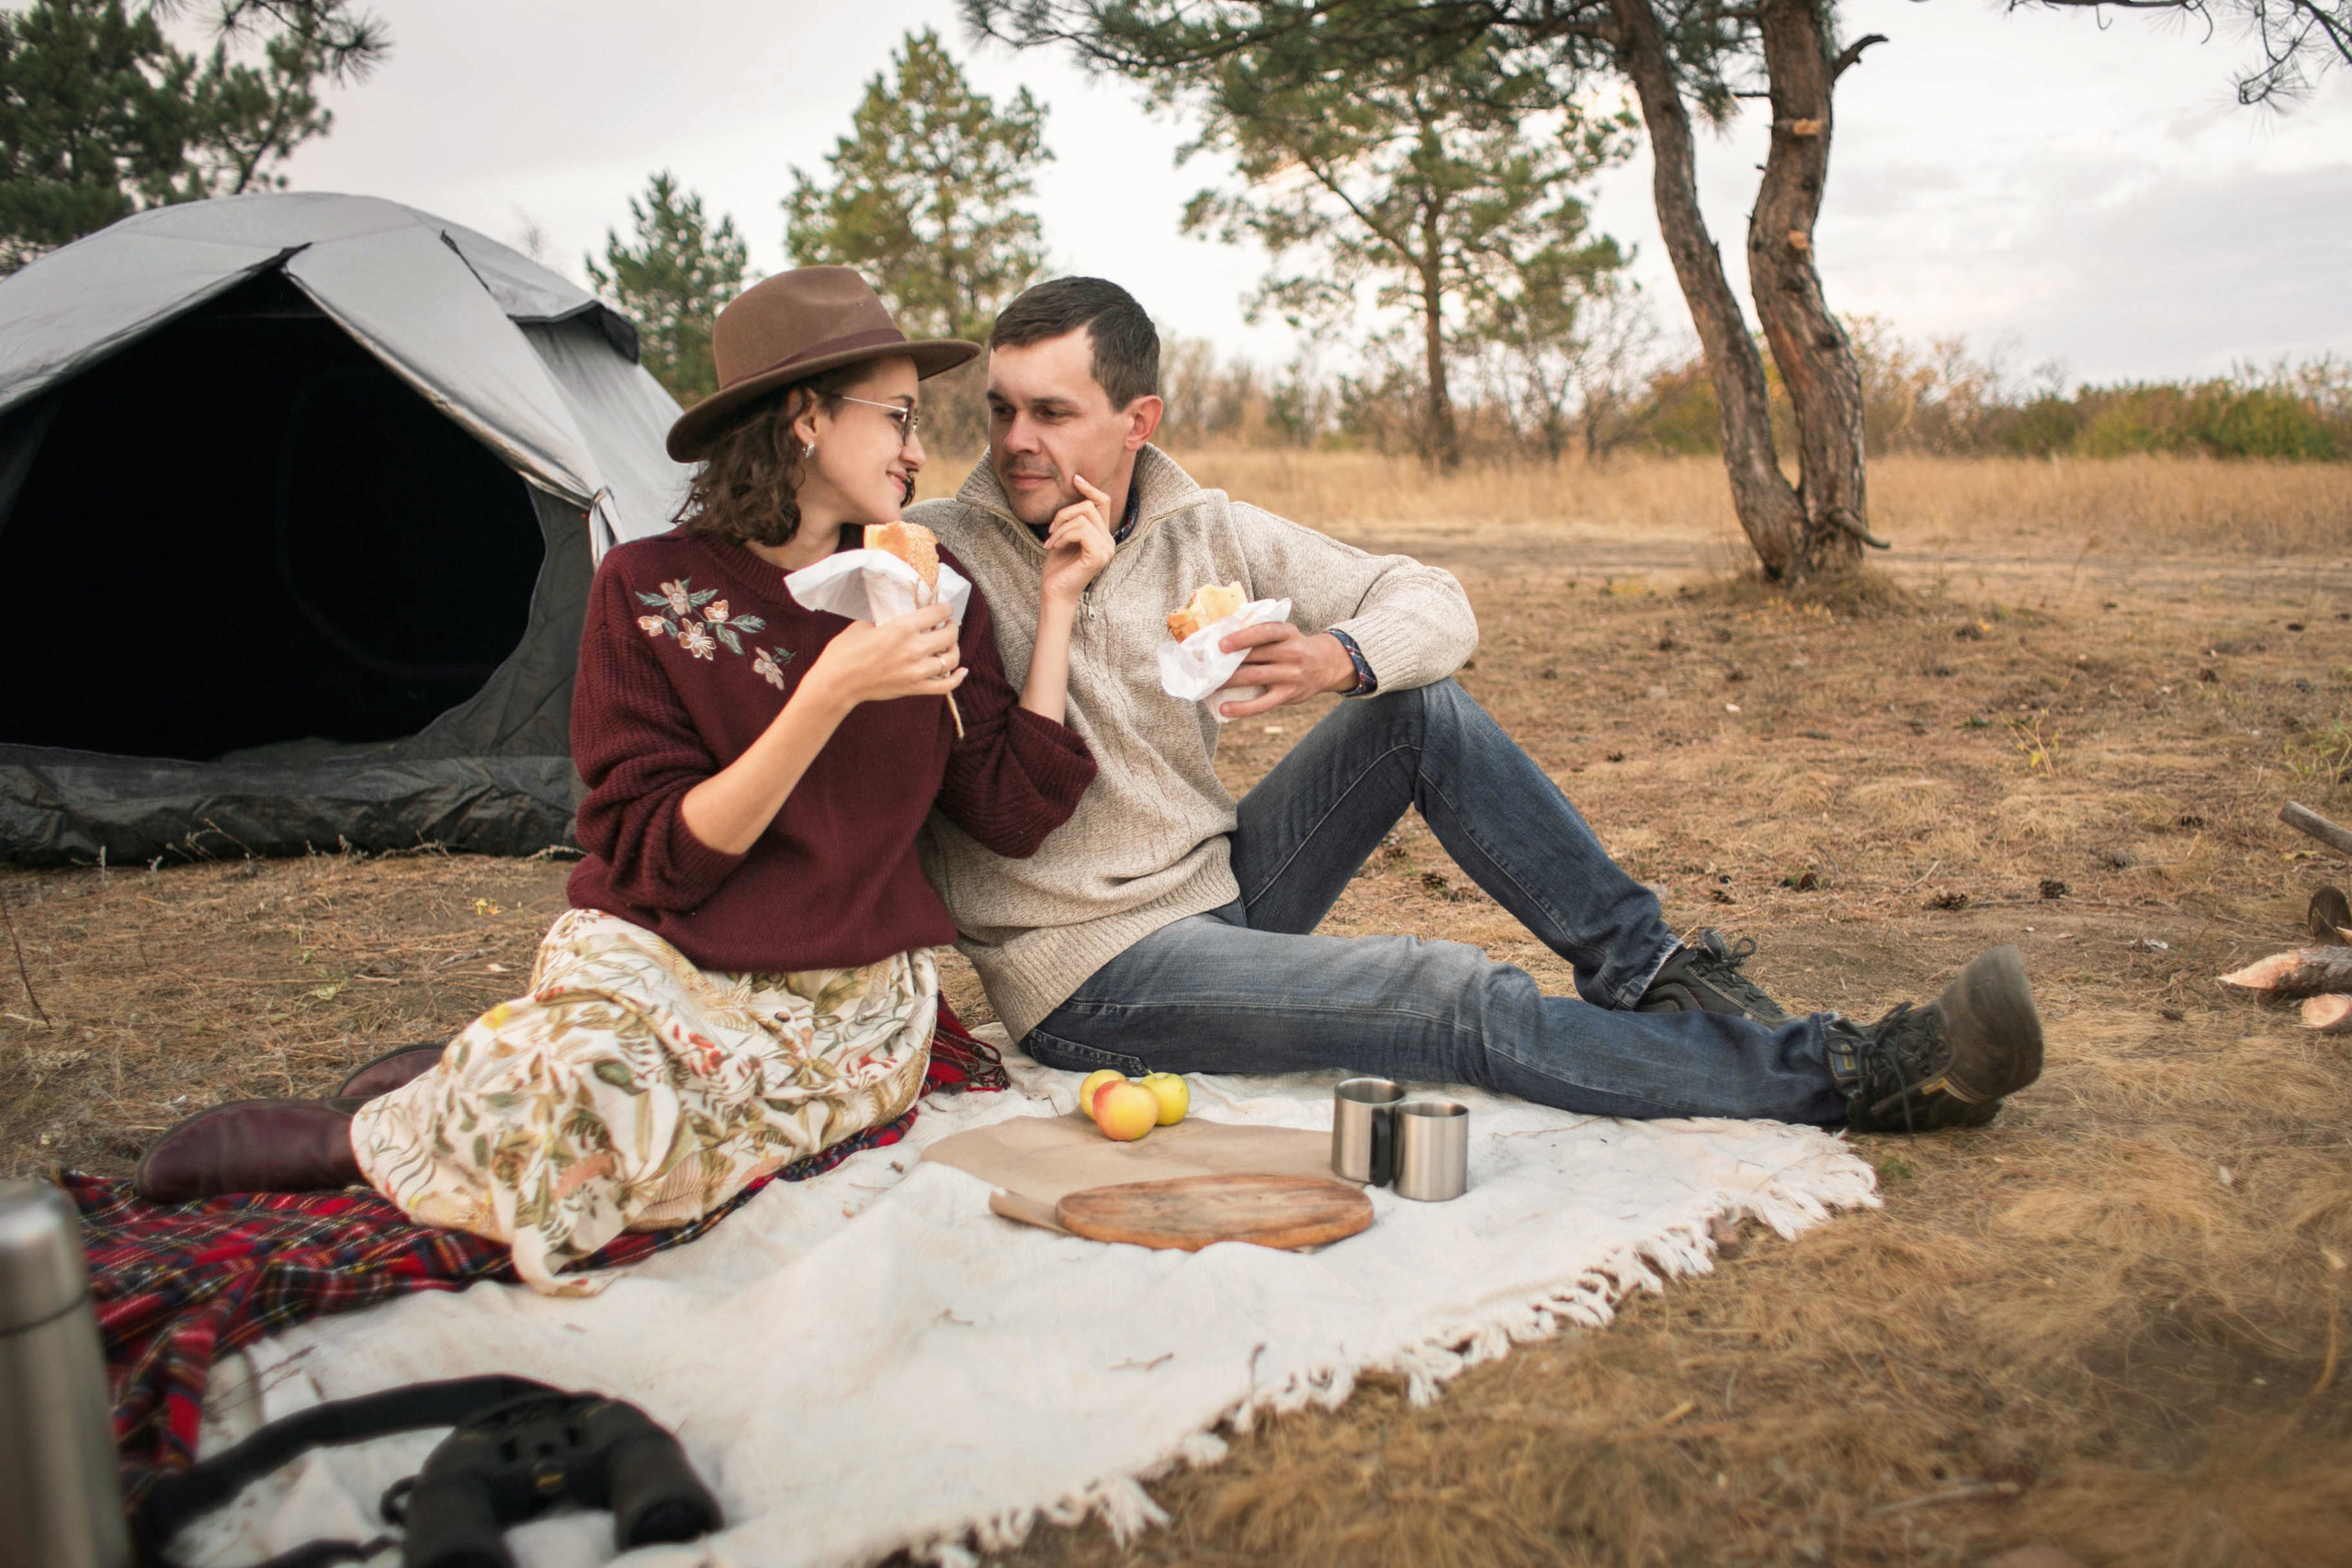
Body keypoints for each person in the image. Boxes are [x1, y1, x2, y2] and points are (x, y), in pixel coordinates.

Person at [134, 268, 1108, 1288]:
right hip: (668, 954)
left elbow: (1011, 807)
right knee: (604, 1087)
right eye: (898, 418)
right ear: (807, 419)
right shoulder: (646, 589)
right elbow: (659, 866)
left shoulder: (924, 589)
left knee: (649, 1143)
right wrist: (824, 695)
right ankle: (364, 1138)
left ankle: (453, 1093)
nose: (918, 449)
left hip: (845, 1000)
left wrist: (1056, 608)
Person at [908, 276, 2044, 1134]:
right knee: (1435, 989)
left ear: (1137, 421)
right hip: (1090, 969)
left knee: (1418, 710)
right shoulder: (945, 558)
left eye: (1050, 413)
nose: (1015, 443)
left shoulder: (1207, 529)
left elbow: (1436, 602)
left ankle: (1646, 974)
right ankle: (1857, 1075)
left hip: (1216, 893)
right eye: (1001, 411)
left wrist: (1334, 660)